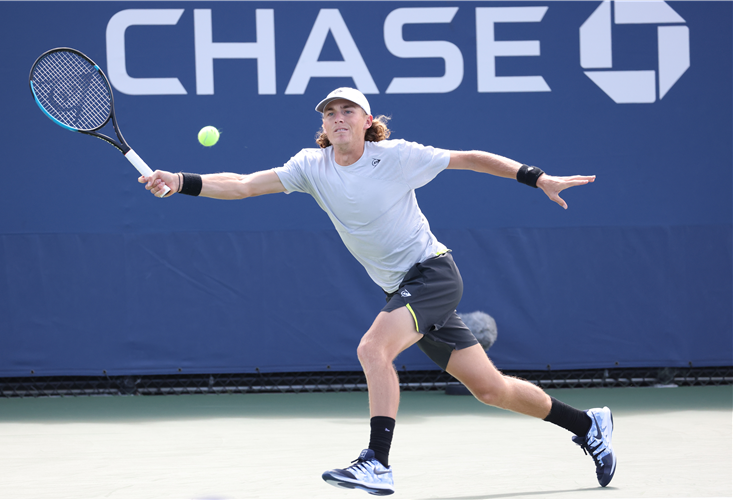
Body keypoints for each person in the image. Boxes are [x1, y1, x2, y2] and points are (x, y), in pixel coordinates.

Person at [141, 87, 616, 496]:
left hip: (433, 274)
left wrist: (539, 178)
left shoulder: (396, 157)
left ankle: (378, 462)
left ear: (367, 123)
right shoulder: (311, 166)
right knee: (490, 389)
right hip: (403, 288)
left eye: (348, 111)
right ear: (323, 127)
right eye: (330, 113)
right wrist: (180, 181)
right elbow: (242, 185)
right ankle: (587, 424)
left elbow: (470, 159)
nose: (338, 118)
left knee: (372, 348)